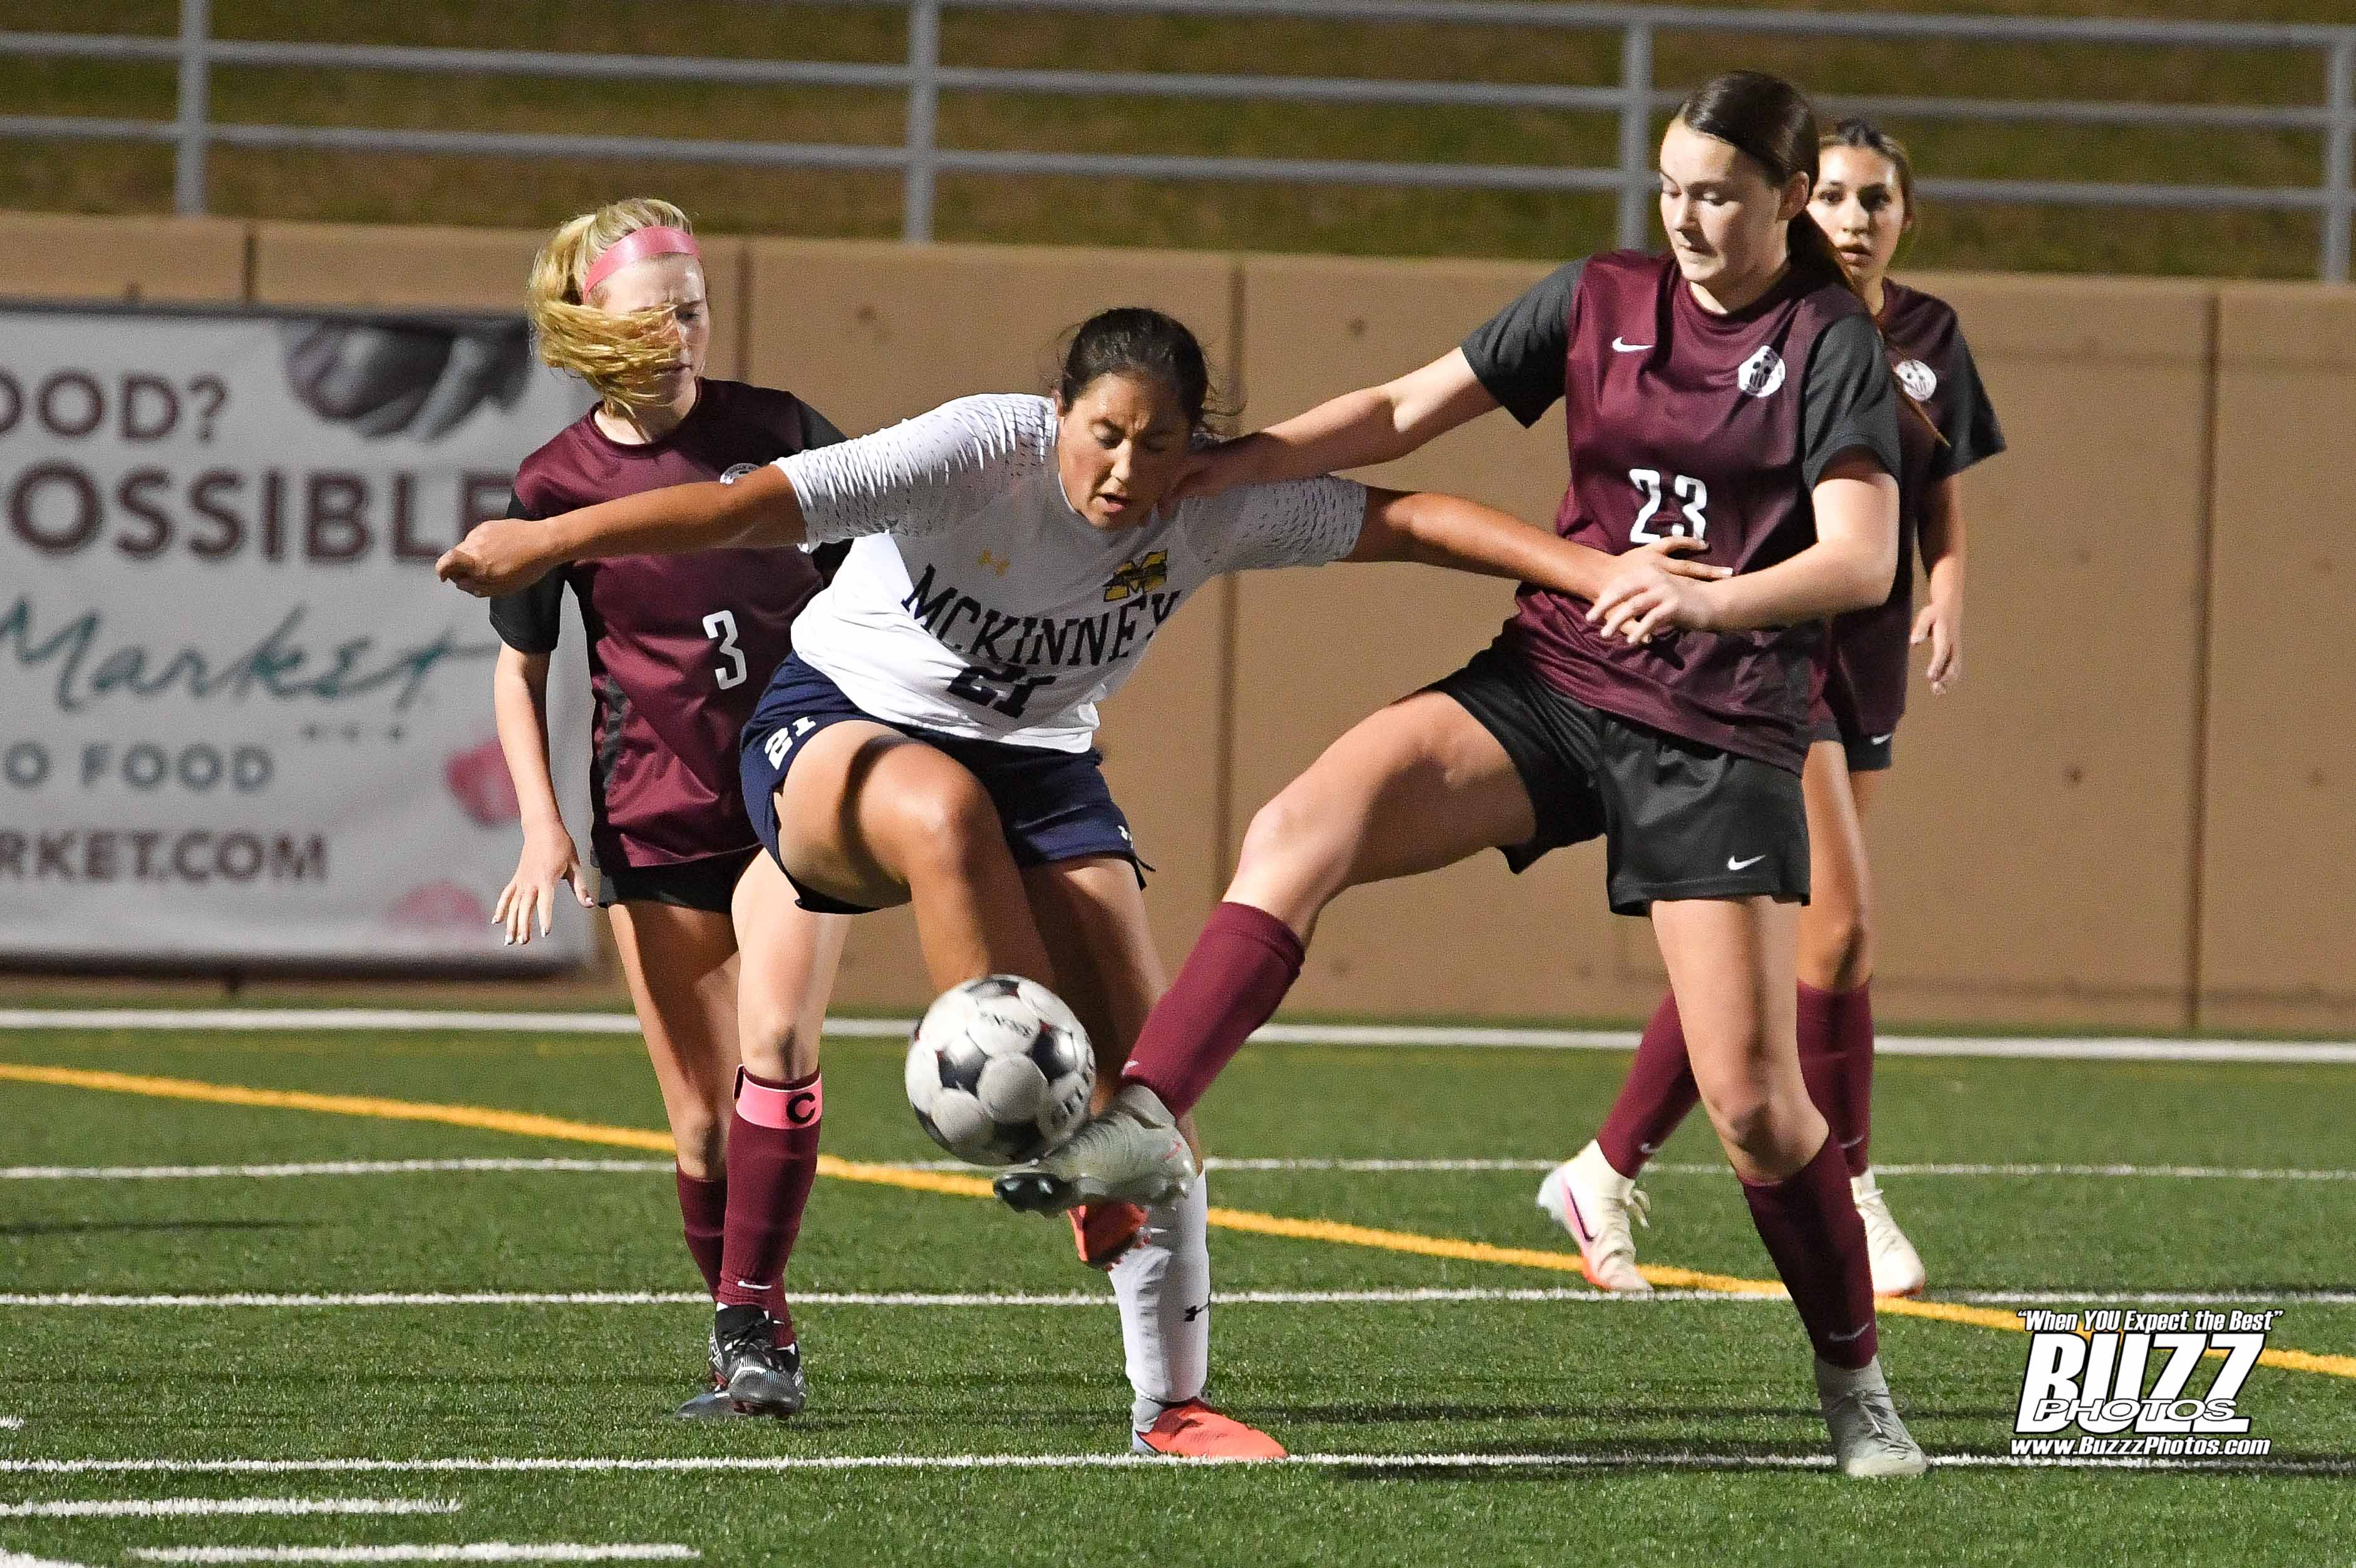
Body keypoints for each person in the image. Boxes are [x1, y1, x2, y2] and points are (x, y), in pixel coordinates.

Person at [439, 305, 1725, 1457]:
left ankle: (1172, 1404)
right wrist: (548, 540)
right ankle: (1032, 1123)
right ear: (1060, 415)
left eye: (1156, 445)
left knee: (1153, 1077)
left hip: (1044, 768)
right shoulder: (975, 450)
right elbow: (742, 507)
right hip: (836, 727)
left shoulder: (1208, 505)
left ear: (1192, 447)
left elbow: (1414, 520)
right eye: (1104, 435)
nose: (1124, 471)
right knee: (941, 816)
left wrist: (1605, 573)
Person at [1000, 73, 1932, 1478]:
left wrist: (1708, 605)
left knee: (1751, 1104)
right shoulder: (1601, 296)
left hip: (1720, 717)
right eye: (1672, 185)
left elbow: (1861, 557)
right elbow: (1396, 408)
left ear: (1788, 201)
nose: (1686, 215)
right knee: (1306, 821)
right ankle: (1142, 1121)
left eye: (1720, 194)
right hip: (1558, 679)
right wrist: (1230, 464)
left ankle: (1855, 1385)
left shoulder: (1829, 344)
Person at [1536, 118, 2004, 1302]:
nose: (1853, 220)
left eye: (1876, 202)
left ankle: (1602, 1166)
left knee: (1775, 944)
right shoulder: (1775, 319)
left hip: (1863, 644)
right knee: (1835, 930)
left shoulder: (1926, 335)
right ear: (1797, 203)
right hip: (1762, 647)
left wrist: (1946, 586)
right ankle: (1844, 1180)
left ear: (1906, 216)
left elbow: (1932, 488)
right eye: (1834, 197)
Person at [483, 197, 849, 1419]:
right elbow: (521, 664)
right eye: (655, 315)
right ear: (594, 328)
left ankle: (757, 1335)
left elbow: (889, 574)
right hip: (654, 815)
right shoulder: (554, 482)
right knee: (700, 1124)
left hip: (792, 798)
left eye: (696, 309)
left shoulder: (783, 431)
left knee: (778, 1054)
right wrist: (544, 825)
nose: (684, 334)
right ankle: (753, 1330)